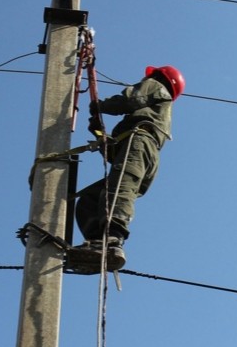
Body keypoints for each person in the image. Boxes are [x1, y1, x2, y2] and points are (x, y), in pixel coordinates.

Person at [69, 65, 185, 271]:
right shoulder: (147, 117)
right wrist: (99, 133)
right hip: (142, 151)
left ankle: (113, 240)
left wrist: (100, 105)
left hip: (140, 144)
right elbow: (113, 153)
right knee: (91, 199)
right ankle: (97, 243)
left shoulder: (156, 86)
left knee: (119, 188)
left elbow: (131, 100)